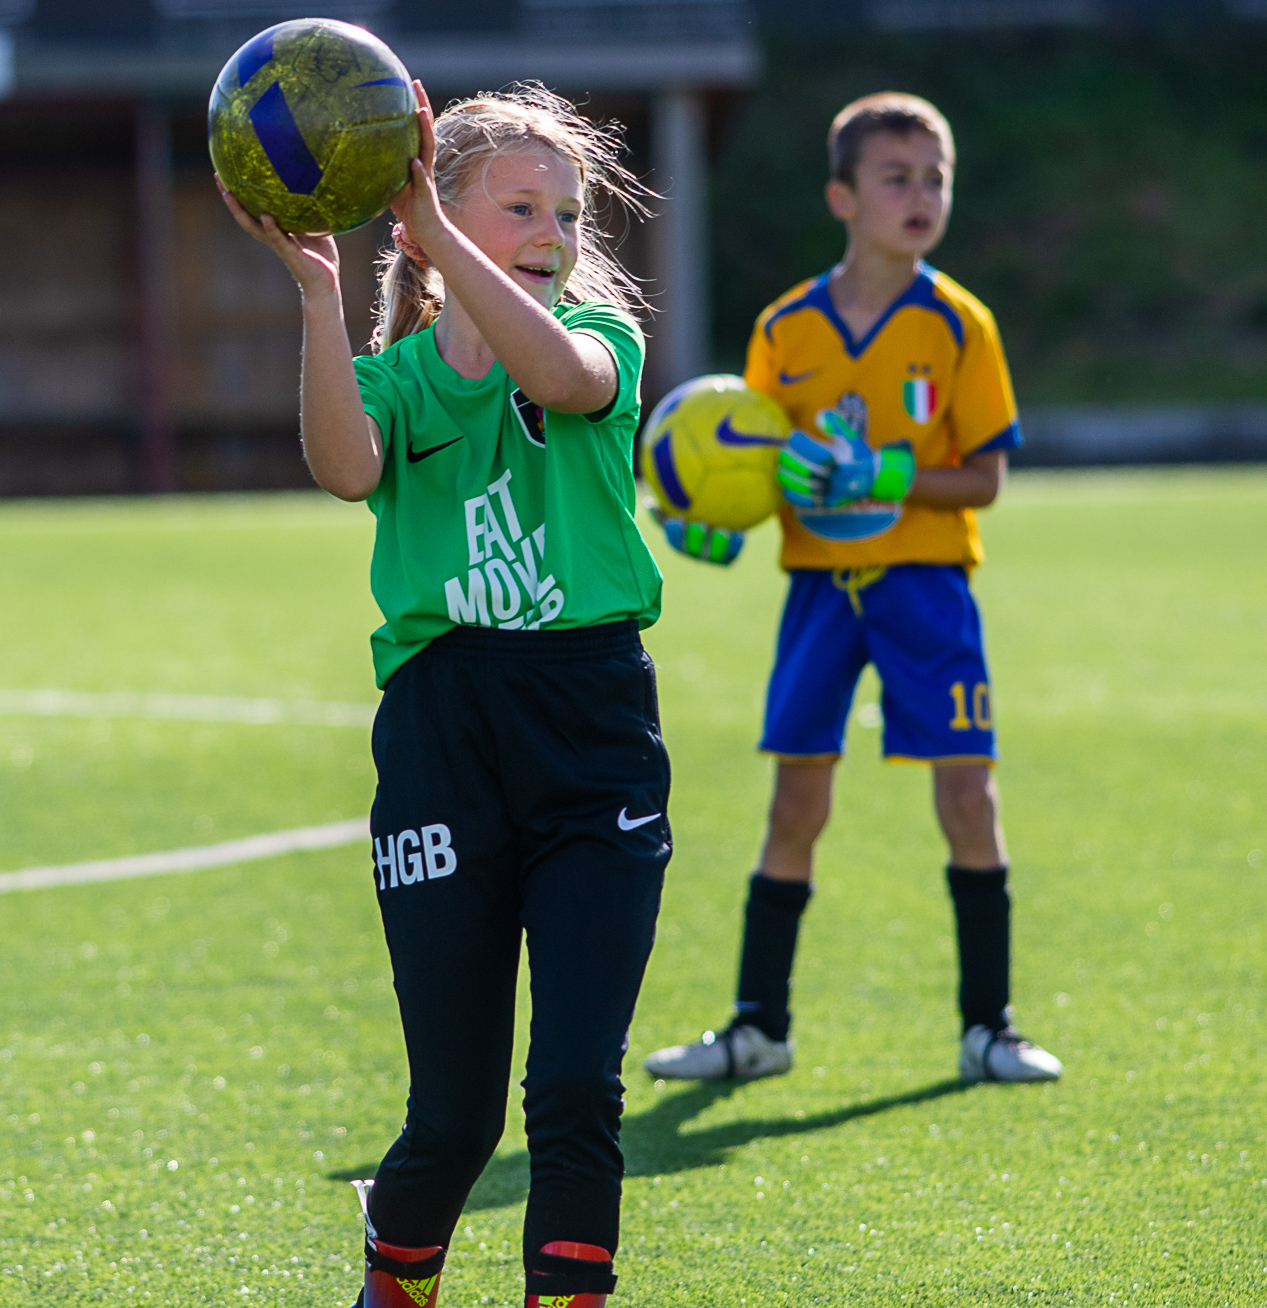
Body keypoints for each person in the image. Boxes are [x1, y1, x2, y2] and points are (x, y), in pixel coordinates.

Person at [221, 81, 671, 1308]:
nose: (554, 232)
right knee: (455, 1114)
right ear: (425, 219)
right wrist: (320, 294)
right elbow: (340, 466)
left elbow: (563, 380)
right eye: (520, 205)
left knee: (576, 1084)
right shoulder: (401, 381)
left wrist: (440, 226)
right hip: (443, 738)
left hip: (591, 731)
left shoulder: (600, 345)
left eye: (567, 214)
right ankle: (395, 1274)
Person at [645, 92, 1061, 1087]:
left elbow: (986, 480)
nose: (919, 196)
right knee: (796, 807)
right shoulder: (785, 331)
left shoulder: (962, 327)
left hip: (928, 588)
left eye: (934, 179)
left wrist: (887, 475)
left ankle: (988, 1027)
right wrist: (707, 526)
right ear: (841, 195)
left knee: (967, 795)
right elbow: (746, 468)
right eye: (895, 177)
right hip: (821, 596)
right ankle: (757, 1028)